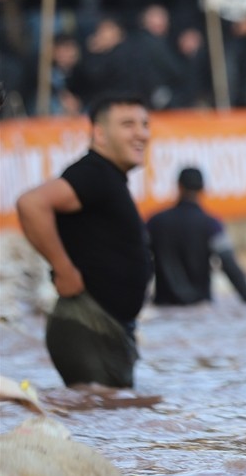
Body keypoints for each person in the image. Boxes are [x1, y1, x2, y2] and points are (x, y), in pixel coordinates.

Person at [15, 93, 153, 388]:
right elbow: (31, 204)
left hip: (104, 329)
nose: (141, 132)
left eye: (144, 124)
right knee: (94, 414)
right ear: (100, 133)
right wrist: (63, 269)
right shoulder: (93, 173)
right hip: (86, 325)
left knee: (105, 421)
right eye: (128, 124)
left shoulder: (108, 177)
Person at [146, 167, 246, 307]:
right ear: (203, 189)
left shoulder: (155, 222)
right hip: (200, 307)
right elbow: (228, 263)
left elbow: (142, 261)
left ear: (179, 186)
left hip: (164, 306)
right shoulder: (211, 225)